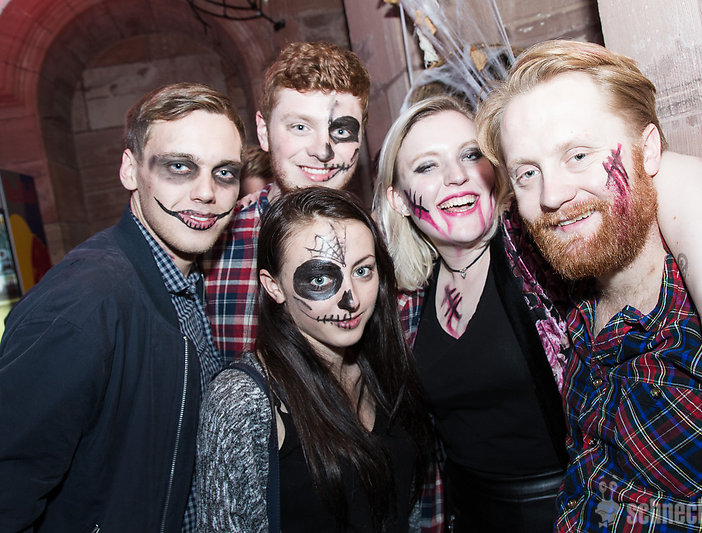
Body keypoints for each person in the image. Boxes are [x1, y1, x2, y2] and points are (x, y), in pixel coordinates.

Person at [373, 91, 702, 531]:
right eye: (427, 166)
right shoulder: (406, 299)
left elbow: (671, 174)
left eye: (470, 155)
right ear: (399, 199)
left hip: (566, 506)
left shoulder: (534, 242)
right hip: (469, 515)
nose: (457, 176)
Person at [476, 39, 702, 531]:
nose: (552, 195)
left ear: (648, 151)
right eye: (527, 173)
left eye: (578, 155)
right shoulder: (574, 292)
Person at [0, 82, 244, 532]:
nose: (206, 193)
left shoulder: (191, 281)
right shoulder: (82, 304)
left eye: (224, 172)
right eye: (179, 167)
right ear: (130, 171)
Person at [195, 187, 434, 532]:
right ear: (274, 286)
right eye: (320, 279)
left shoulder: (385, 366)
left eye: (363, 271)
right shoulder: (243, 401)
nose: (351, 300)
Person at [202, 41, 370, 364]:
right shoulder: (215, 241)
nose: (322, 150)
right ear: (264, 132)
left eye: (341, 130)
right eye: (300, 127)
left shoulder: (387, 245)